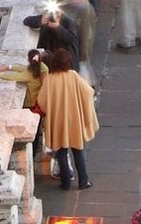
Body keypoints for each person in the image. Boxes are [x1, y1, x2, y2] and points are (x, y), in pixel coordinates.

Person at [38, 49, 99, 190]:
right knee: (78, 151)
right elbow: (88, 92)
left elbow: (41, 100)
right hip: (74, 120)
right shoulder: (73, 76)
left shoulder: (49, 79)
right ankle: (83, 181)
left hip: (58, 121)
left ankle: (65, 182)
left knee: (61, 153)